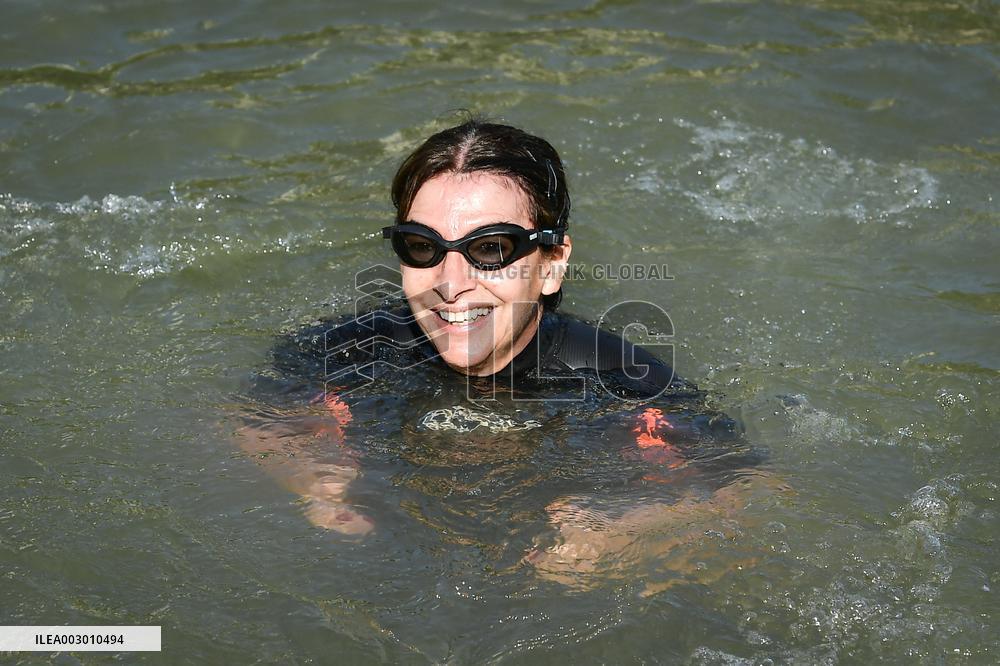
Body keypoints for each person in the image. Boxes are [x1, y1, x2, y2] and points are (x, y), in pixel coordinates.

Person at [236, 119, 780, 592]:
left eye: (490, 249)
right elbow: (247, 416)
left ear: (551, 264)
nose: (451, 284)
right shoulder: (352, 351)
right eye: (422, 247)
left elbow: (755, 497)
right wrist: (312, 474)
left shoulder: (618, 384)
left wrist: (624, 535)